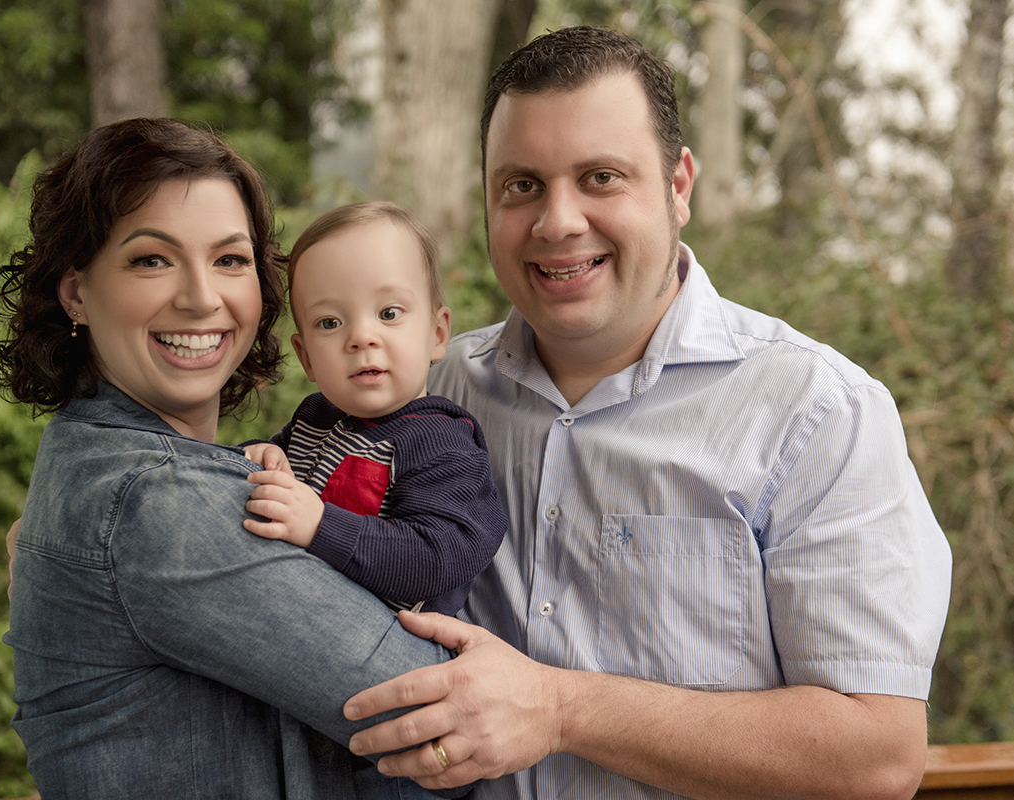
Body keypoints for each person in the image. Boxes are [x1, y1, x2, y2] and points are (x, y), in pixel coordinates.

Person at [341, 26, 953, 800]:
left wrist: (561, 709)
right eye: (521, 185)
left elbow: (877, 757)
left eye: (600, 177)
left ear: (679, 186)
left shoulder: (819, 414)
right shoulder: (438, 390)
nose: (557, 221)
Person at [0, 118, 478, 799]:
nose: (201, 297)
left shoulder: (99, 456)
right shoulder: (154, 498)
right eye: (151, 259)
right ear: (76, 292)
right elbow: (446, 720)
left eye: (230, 259)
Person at [241, 202, 506, 614]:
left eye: (389, 313)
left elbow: (437, 557)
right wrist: (262, 453)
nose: (362, 336)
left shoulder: (443, 446)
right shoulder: (315, 419)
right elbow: (271, 486)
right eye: (330, 322)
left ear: (437, 335)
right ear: (307, 357)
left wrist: (321, 525)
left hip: (393, 651)